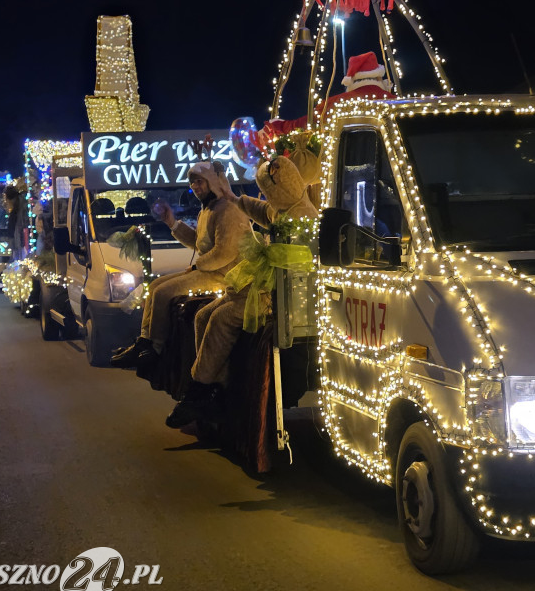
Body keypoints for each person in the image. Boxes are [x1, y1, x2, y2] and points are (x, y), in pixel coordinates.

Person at [165, 140, 321, 428]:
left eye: (267, 190)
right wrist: (235, 198)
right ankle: (212, 387)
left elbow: (294, 262)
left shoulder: (302, 216)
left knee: (222, 318)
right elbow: (264, 212)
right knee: (202, 315)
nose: (265, 195)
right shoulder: (286, 207)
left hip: (282, 297)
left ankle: (201, 390)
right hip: (266, 285)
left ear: (278, 188)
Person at [110, 161, 250, 369]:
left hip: (224, 275)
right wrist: (172, 223)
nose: (195, 187)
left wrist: (196, 267)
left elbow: (224, 253)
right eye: (192, 183)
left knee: (164, 292)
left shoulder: (228, 210)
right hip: (209, 271)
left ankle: (155, 350)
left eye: (199, 182)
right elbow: (198, 242)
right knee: (156, 287)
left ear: (212, 181)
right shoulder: (208, 210)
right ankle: (144, 342)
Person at [291, 51, 395, 131]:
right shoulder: (394, 101)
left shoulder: (332, 104)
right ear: (378, 77)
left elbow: (307, 122)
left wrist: (279, 126)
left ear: (352, 79)